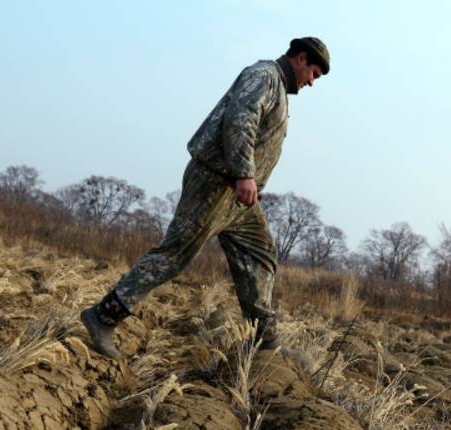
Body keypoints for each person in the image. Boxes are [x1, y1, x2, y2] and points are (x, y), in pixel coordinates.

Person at [81, 37, 331, 359]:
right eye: (313, 73)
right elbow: (241, 118)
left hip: (238, 199)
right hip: (216, 183)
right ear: (299, 58)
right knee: (176, 253)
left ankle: (264, 342)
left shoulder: (279, 88)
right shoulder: (265, 76)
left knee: (260, 253)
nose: (311, 83)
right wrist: (244, 173)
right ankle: (103, 316)